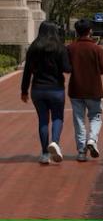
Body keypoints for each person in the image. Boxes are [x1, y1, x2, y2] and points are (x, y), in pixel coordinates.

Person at [21, 21, 71, 164]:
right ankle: (54, 142)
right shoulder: (60, 48)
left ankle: (44, 154)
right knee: (57, 117)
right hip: (56, 88)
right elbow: (67, 69)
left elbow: (27, 71)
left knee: (43, 120)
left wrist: (24, 90)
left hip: (37, 89)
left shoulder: (34, 47)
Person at [68, 19, 103, 162]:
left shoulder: (70, 48)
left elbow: (67, 68)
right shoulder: (98, 49)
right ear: (90, 31)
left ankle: (81, 151)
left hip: (76, 89)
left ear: (76, 31)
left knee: (78, 120)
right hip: (93, 89)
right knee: (96, 116)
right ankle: (92, 139)